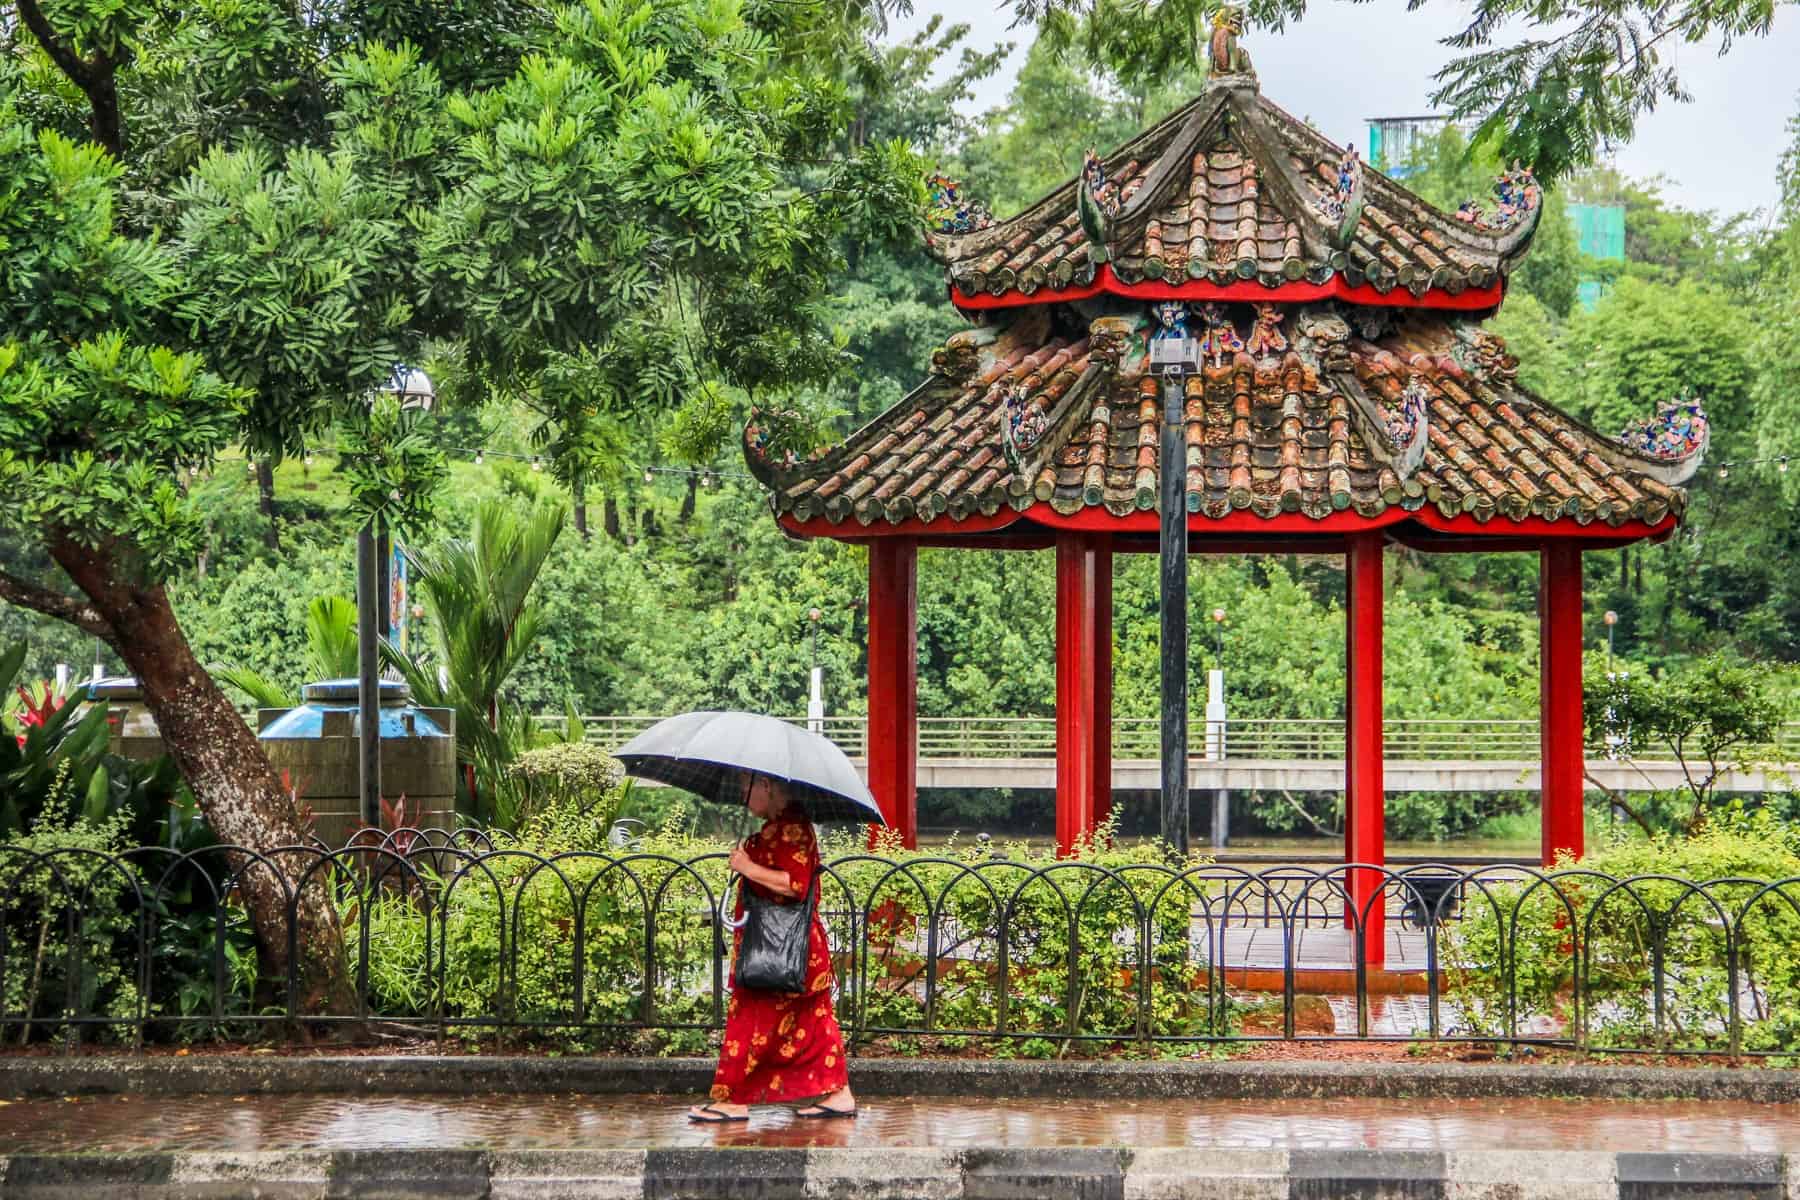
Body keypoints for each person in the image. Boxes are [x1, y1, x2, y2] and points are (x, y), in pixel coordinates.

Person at [687, 771, 856, 1123]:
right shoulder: (782, 826)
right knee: (813, 1023)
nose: (742, 797)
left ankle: (733, 1099)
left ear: (765, 785)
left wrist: (747, 865)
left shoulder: (792, 828)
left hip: (779, 947)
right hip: (794, 948)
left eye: (745, 788)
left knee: (750, 1018)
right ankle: (839, 1093)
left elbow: (795, 884)